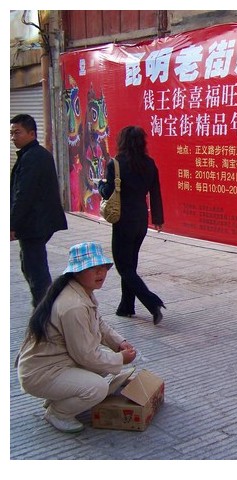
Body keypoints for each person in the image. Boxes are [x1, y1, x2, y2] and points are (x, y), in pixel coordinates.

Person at [16, 242, 137, 433]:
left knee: (103, 366)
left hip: (57, 365)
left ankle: (60, 395)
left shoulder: (80, 292)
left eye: (102, 268)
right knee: (98, 387)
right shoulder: (73, 305)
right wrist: (121, 359)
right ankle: (58, 413)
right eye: (92, 269)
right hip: (40, 373)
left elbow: (99, 323)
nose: (100, 273)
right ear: (76, 272)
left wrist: (119, 343)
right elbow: (86, 356)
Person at [98, 125, 165, 325]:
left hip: (123, 220)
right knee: (130, 263)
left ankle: (152, 302)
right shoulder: (149, 163)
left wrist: (101, 185)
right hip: (140, 220)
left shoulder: (116, 164)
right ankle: (126, 306)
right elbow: (155, 193)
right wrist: (158, 220)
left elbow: (108, 192)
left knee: (123, 266)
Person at [10, 114, 68, 307]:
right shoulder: (33, 154)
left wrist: (12, 224)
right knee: (30, 267)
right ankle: (45, 310)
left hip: (35, 223)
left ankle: (45, 316)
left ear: (32, 133)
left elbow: (24, 194)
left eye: (17, 132)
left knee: (37, 273)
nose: (13, 137)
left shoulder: (33, 157)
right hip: (37, 222)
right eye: (11, 133)